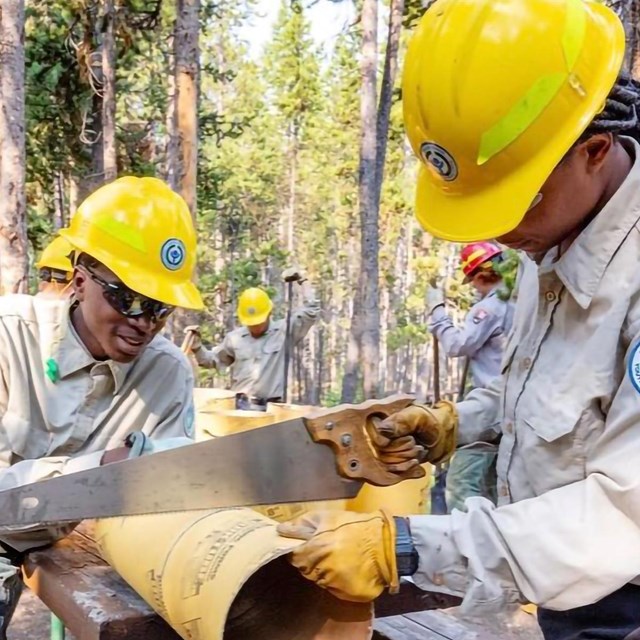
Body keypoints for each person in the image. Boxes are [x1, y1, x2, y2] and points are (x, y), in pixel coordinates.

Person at [277, 1, 640, 638]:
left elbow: (625, 517)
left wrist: (410, 548)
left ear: (595, 150)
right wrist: (453, 424)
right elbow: (546, 392)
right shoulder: (551, 230)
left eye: (512, 199)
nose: (501, 231)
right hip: (560, 583)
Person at [0, 176, 203, 637]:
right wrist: (103, 470)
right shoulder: (7, 336)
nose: (144, 324)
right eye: (128, 299)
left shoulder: (168, 375)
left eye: (160, 307)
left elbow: (177, 501)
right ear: (79, 281)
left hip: (87, 553)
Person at [427, 242, 514, 511]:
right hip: (512, 408)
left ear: (481, 275)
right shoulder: (520, 302)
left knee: (461, 484)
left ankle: (462, 545)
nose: (474, 287)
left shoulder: (489, 307)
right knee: (493, 488)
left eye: (473, 281)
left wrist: (437, 313)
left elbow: (457, 345)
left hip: (490, 409)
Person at [185, 270, 320, 410]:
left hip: (272, 409)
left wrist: (303, 281)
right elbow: (212, 360)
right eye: (251, 323)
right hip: (240, 406)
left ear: (269, 314)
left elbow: (311, 310)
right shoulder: (235, 339)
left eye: (258, 322)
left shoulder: (284, 332)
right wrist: (197, 347)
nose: (254, 326)